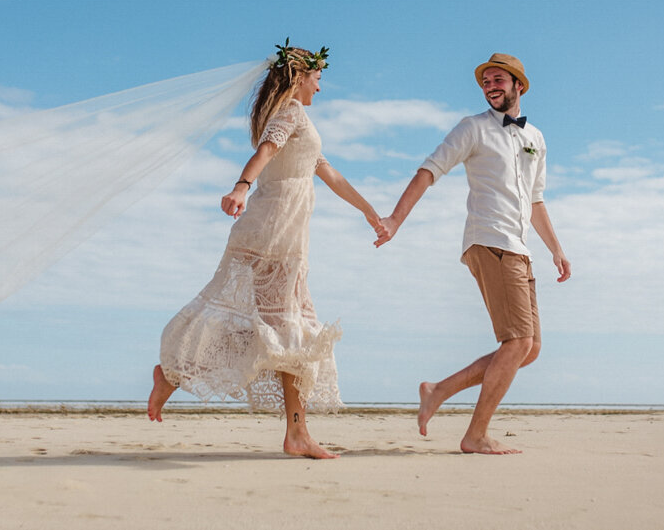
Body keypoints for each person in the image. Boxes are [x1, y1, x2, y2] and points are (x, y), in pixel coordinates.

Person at [147, 42, 387, 460]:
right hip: (273, 233)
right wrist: (241, 186)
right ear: (299, 77)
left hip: (283, 235)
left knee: (279, 334)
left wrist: (369, 212)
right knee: (287, 332)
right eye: (317, 78)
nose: (320, 86)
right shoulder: (291, 112)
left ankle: (181, 379)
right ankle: (179, 377)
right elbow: (266, 151)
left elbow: (327, 171)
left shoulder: (297, 118)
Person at [376, 53, 571, 455]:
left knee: (528, 349)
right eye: (486, 82)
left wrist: (557, 250)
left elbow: (535, 201)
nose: (491, 87)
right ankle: (475, 435)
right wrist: (395, 219)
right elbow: (428, 170)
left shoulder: (535, 138)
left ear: (519, 85)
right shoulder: (473, 129)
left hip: (520, 248)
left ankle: (438, 390)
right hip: (489, 240)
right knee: (517, 341)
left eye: (498, 80)